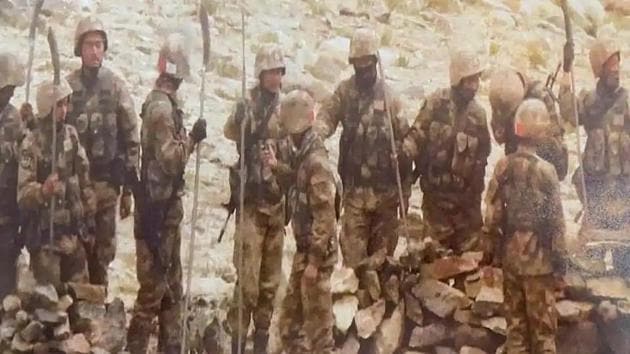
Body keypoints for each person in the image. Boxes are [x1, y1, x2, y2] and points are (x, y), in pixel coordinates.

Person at [316, 27, 411, 310]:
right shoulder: (345, 93)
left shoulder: (392, 99)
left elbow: (408, 139)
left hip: (385, 196)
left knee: (383, 263)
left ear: (376, 63)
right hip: (355, 194)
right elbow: (326, 117)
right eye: (358, 66)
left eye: (368, 65)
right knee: (354, 265)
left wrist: (403, 155)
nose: (363, 71)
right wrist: (317, 135)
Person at [125, 36, 206, 354]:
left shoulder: (163, 104)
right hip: (157, 213)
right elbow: (172, 160)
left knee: (172, 290)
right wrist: (192, 141)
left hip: (165, 211)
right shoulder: (161, 109)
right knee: (153, 292)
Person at [484, 98, 566, 354]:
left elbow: (492, 218)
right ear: (540, 132)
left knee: (516, 333)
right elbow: (557, 224)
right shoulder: (547, 172)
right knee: (543, 336)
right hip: (539, 265)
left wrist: (491, 257)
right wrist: (560, 264)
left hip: (511, 261)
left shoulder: (503, 166)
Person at [65, 16, 140, 288]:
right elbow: (52, 130)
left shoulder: (117, 86)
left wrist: (129, 190)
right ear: (79, 49)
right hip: (75, 187)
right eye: (89, 45)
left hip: (108, 185)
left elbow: (132, 136)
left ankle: (99, 307)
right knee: (75, 250)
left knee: (103, 253)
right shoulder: (68, 87)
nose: (95, 51)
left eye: (99, 45)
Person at [224, 43, 287, 354]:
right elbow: (230, 133)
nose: (275, 78)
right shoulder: (246, 106)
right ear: (260, 75)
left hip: (276, 207)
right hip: (251, 205)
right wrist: (242, 119)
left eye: (279, 72)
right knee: (247, 286)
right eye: (270, 72)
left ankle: (260, 343)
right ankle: (236, 344)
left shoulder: (287, 109)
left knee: (269, 286)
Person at [266, 90, 338, 353]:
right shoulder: (303, 154)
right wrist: (277, 168)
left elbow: (325, 215)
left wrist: (315, 263)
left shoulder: (316, 161)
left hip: (316, 255)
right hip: (305, 252)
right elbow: (298, 181)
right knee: (289, 325)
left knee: (320, 335)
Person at [401, 49, 491, 254]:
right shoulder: (436, 103)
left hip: (466, 207)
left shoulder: (478, 115)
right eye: (469, 81)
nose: (474, 86)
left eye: (477, 80)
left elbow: (483, 156)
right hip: (436, 203)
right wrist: (404, 154)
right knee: (432, 262)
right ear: (458, 80)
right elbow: (417, 134)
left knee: (468, 266)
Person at [17, 79, 96, 290]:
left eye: (65, 104)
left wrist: (89, 218)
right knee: (49, 302)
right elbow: (23, 193)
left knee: (83, 297)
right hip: (46, 239)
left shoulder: (71, 135)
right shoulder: (31, 143)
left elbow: (84, 177)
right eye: (58, 105)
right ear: (47, 108)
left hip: (72, 234)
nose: (64, 110)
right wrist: (43, 191)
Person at [489, 67, 568, 179]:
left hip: (540, 160)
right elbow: (499, 136)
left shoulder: (541, 96)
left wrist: (529, 129)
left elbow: (555, 146)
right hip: (515, 161)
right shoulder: (502, 96)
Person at [0, 52, 26, 298]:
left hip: (6, 217)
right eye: (6, 88)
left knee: (5, 286)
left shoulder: (14, 119)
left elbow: (25, 160)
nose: (9, 94)